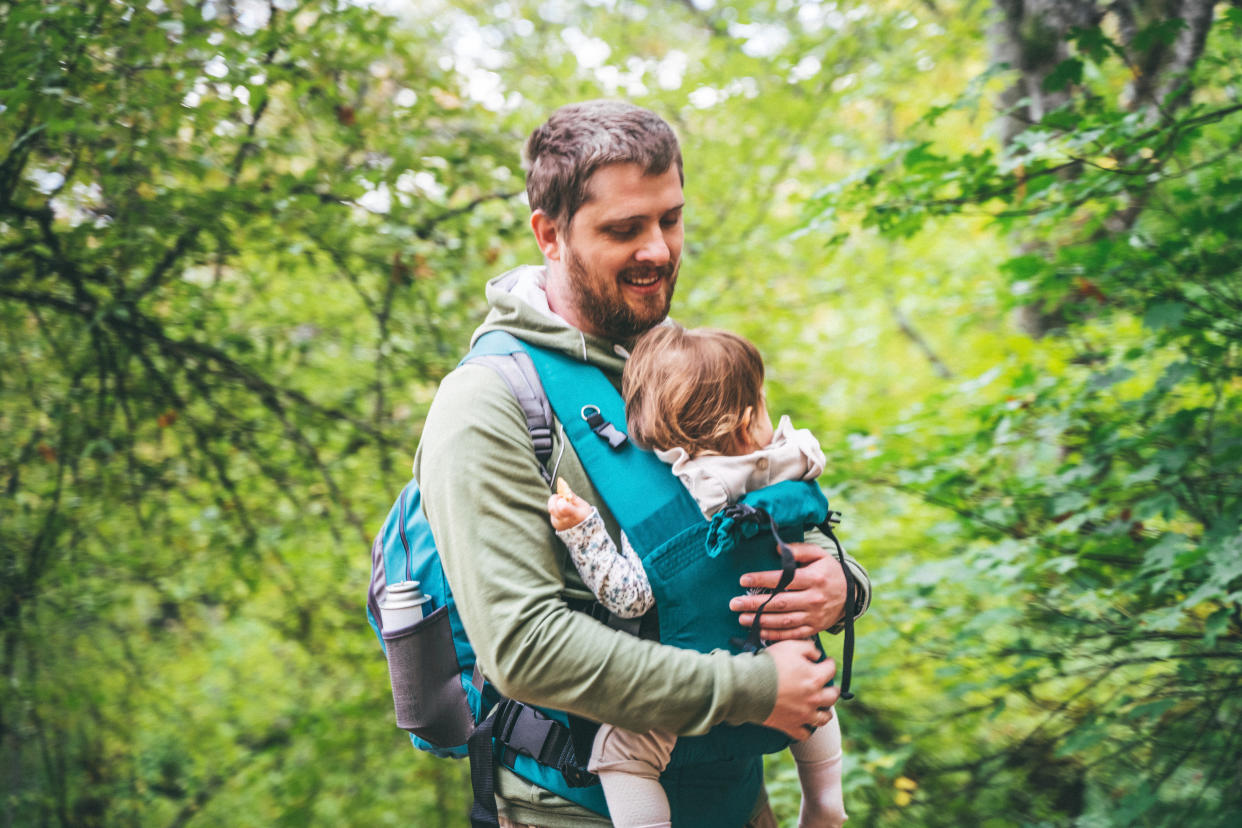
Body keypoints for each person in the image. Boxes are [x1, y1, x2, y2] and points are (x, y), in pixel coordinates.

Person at [413, 100, 872, 827]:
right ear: (550, 235)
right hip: (574, 809)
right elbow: (526, 648)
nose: (657, 250)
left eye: (670, 219)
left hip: (736, 801)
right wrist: (751, 690)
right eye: (624, 229)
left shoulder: (672, 364)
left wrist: (839, 585)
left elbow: (752, 521)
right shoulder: (488, 404)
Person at [548, 324, 855, 828]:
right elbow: (815, 550)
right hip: (785, 666)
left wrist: (583, 530)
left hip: (685, 685)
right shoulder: (785, 473)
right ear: (744, 417)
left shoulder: (656, 511)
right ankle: (824, 805)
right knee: (819, 688)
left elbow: (627, 596)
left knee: (619, 748)